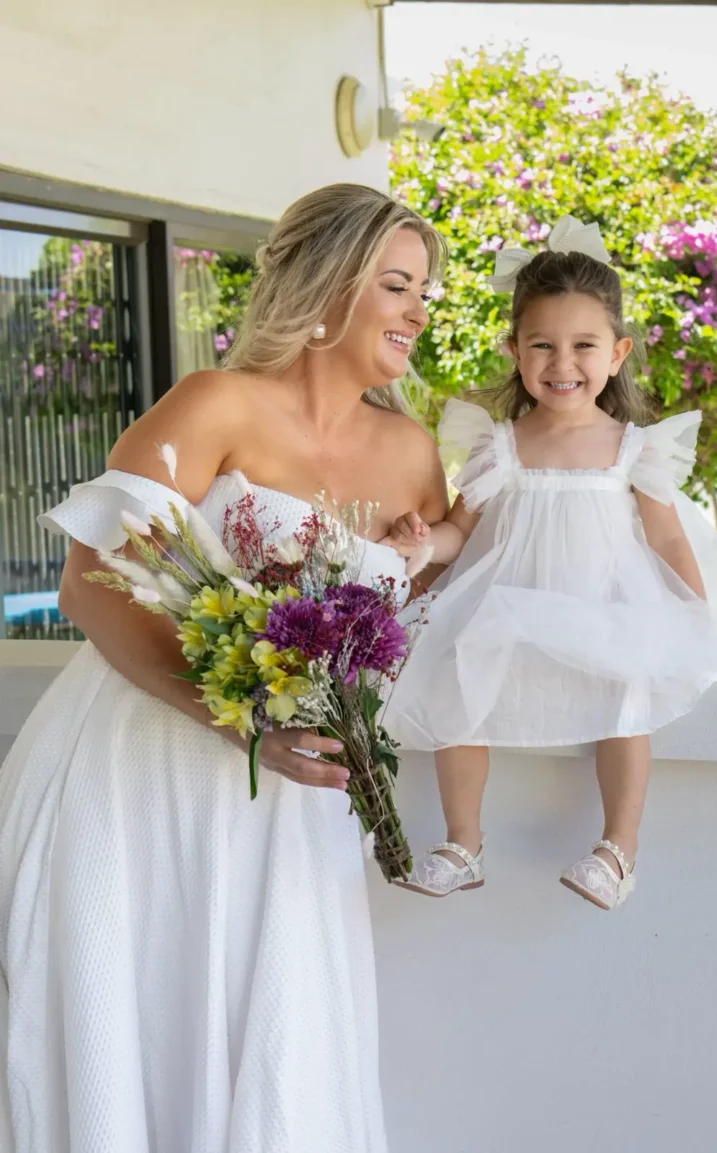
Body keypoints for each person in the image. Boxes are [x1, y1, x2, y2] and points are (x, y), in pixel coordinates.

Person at [0, 183, 448, 1152]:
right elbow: (90, 582)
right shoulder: (217, 404)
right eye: (399, 285)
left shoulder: (415, 456)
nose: (420, 312)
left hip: (290, 811)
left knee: (283, 1040)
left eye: (426, 291)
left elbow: (438, 614)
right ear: (330, 287)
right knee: (136, 1027)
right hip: (140, 770)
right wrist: (241, 718)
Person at [383, 215, 717, 912]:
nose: (562, 364)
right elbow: (459, 533)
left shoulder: (632, 449)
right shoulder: (498, 445)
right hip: (513, 609)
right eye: (542, 346)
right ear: (515, 351)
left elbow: (670, 544)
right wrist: (421, 546)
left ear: (616, 353)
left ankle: (618, 849)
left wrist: (699, 633)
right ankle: (463, 843)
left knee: (627, 697)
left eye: (583, 345)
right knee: (458, 683)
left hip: (603, 609)